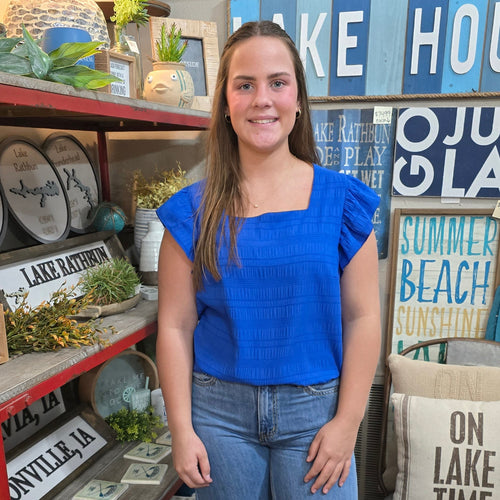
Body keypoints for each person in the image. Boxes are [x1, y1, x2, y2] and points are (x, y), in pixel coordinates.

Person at [156, 20, 381, 500]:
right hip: (218, 420)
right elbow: (174, 326)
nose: (262, 99)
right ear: (226, 103)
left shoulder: (343, 204)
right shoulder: (191, 213)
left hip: (316, 417)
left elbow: (363, 318)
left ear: (298, 99)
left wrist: (347, 423)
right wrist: (181, 429)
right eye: (245, 85)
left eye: (278, 82)